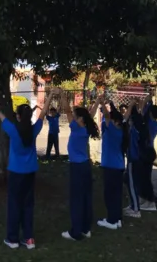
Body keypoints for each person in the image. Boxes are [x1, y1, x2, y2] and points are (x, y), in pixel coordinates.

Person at [0, 89, 57, 250]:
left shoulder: (13, 130)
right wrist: (49, 96)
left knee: (14, 204)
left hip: (15, 173)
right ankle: (29, 239)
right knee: (28, 205)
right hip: (30, 172)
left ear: (18, 116)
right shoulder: (34, 130)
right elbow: (42, 113)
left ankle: (12, 238)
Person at [59, 92, 100, 241]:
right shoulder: (85, 128)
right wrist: (97, 103)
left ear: (80, 119)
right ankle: (86, 228)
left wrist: (62, 96)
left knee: (77, 199)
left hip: (77, 167)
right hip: (85, 166)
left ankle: (76, 232)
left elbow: (68, 111)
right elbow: (91, 114)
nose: (73, 118)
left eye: (76, 117)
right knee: (86, 197)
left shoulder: (77, 128)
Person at [96, 97, 126, 230]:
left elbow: (107, 116)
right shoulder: (122, 130)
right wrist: (111, 104)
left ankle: (112, 220)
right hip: (119, 166)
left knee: (109, 194)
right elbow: (113, 115)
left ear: (114, 121)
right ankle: (117, 219)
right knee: (117, 194)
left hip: (110, 166)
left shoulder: (111, 129)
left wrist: (102, 102)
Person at [138, 94, 157, 212]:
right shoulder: (154, 123)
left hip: (147, 152)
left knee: (146, 179)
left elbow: (142, 112)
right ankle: (144, 199)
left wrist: (145, 101)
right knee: (142, 178)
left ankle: (150, 202)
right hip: (147, 151)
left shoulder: (151, 124)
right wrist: (149, 101)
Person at [123, 99, 143, 218]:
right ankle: (132, 205)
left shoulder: (134, 130)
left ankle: (136, 209)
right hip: (135, 158)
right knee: (130, 182)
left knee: (131, 184)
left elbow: (124, 119)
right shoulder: (137, 127)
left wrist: (131, 105)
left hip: (133, 158)